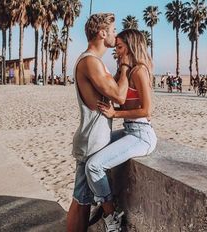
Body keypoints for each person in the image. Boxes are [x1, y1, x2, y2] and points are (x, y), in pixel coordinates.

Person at [85, 29, 157, 231]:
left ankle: (111, 216)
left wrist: (114, 114)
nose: (115, 51)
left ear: (131, 46)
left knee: (94, 166)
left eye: (119, 47)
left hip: (142, 135)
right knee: (92, 148)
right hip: (129, 131)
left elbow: (147, 110)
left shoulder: (139, 71)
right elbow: (121, 99)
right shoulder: (127, 70)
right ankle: (101, 198)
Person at [67, 13, 130, 232]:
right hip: (90, 141)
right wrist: (124, 66)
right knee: (80, 201)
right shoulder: (90, 62)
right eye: (112, 30)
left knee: (82, 201)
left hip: (94, 140)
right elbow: (119, 96)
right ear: (102, 33)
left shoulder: (95, 62)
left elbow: (113, 97)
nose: (115, 35)